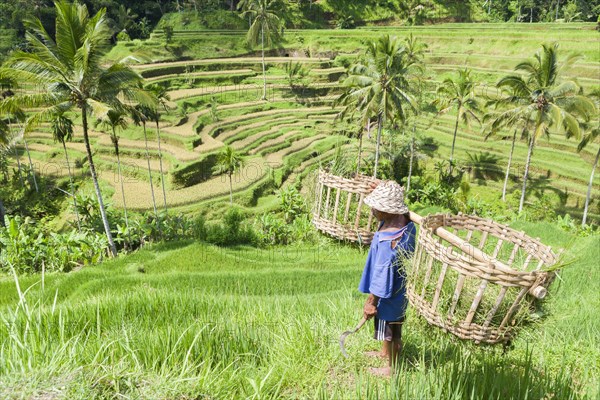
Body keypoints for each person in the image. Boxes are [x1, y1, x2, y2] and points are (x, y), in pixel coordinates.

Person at [358, 180, 416, 377]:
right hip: (401, 290)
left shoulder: (389, 239)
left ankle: (391, 367)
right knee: (392, 323)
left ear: (389, 210)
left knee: (389, 326)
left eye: (377, 207)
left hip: (388, 293)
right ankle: (384, 353)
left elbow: (382, 276)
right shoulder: (405, 222)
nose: (373, 210)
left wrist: (371, 302)